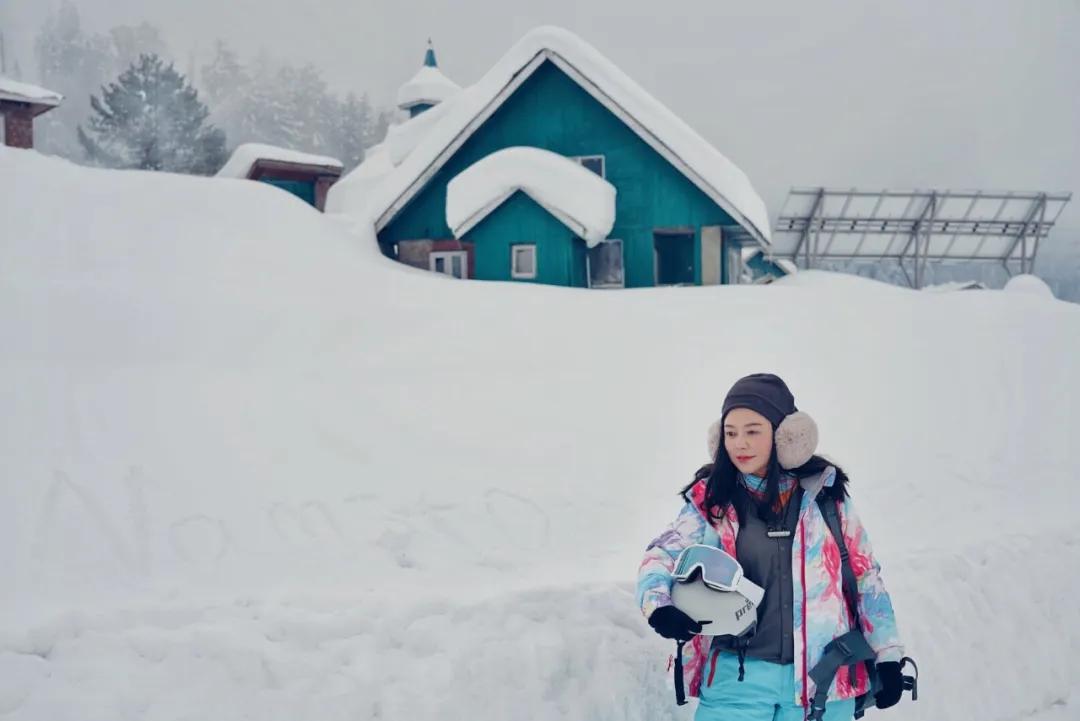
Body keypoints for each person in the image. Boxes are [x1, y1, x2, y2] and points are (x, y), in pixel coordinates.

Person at [636, 373, 905, 721]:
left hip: (821, 683)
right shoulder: (713, 501)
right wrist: (658, 606)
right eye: (730, 433)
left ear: (785, 436)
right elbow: (661, 554)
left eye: (752, 431)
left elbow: (864, 576)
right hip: (736, 680)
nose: (739, 444)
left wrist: (888, 655)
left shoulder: (825, 498)